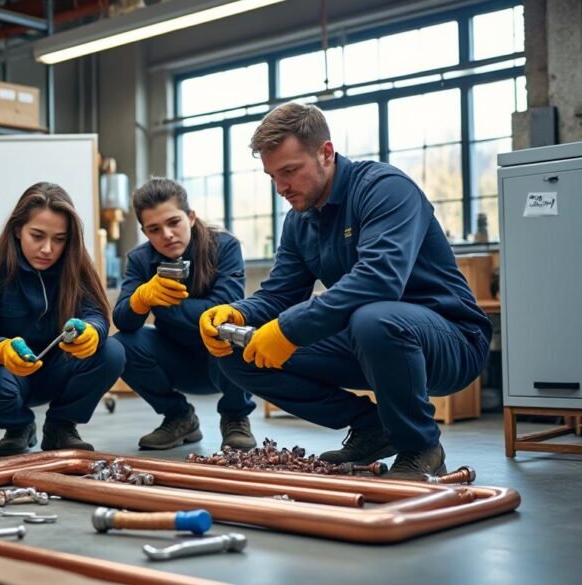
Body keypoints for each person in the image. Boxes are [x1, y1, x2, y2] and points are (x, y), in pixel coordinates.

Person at [200, 103, 491, 480]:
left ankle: (420, 447)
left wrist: (288, 329)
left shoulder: (384, 189)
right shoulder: (299, 221)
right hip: (368, 339)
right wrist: (238, 314)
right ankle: (373, 427)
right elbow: (279, 294)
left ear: (326, 152)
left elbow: (379, 280)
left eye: (289, 171)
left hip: (450, 341)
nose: (281, 188)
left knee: (374, 317)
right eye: (273, 176)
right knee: (238, 351)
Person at [0, 182, 125, 455]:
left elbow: (96, 315)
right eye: (37, 236)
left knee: (112, 351)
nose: (47, 248)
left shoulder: (77, 267)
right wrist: (0, 350)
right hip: (9, 376)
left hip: (61, 370)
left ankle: (61, 427)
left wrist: (92, 331)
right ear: (17, 229)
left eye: (59, 239)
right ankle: (19, 427)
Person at [112, 178, 256, 450]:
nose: (166, 234)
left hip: (224, 362)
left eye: (173, 222)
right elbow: (122, 320)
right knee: (119, 345)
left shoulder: (224, 246)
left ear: (191, 217)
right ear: (145, 232)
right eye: (154, 229)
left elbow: (225, 308)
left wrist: (164, 304)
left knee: (230, 330)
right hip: (176, 359)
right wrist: (140, 299)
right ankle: (179, 417)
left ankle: (236, 417)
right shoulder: (139, 259)